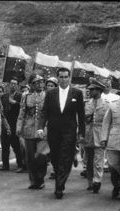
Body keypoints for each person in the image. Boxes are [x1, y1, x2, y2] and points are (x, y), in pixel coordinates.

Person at [37, 68, 85, 199]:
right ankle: (59, 178)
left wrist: (81, 133)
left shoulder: (77, 93)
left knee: (65, 158)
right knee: (55, 158)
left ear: (69, 78)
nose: (63, 80)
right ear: (57, 78)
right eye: (61, 77)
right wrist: (41, 127)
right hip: (53, 131)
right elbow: (44, 112)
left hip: (69, 132)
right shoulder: (51, 93)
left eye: (66, 77)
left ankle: (60, 185)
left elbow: (81, 115)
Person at [16, 74, 48, 190]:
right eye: (37, 83)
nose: (40, 84)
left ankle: (41, 179)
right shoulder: (26, 96)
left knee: (41, 156)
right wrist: (19, 127)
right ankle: (33, 180)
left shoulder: (47, 96)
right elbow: (22, 113)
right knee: (30, 156)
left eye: (41, 82)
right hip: (28, 129)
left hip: (42, 130)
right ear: (32, 85)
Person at [83, 78, 111, 193]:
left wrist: (106, 136)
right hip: (88, 134)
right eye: (90, 89)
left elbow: (108, 122)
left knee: (98, 159)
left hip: (100, 134)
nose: (90, 91)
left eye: (93, 89)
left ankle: (97, 181)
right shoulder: (86, 104)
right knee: (88, 160)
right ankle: (90, 181)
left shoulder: (107, 105)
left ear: (99, 91)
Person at [0, 79, 26, 173]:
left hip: (15, 123)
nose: (13, 85)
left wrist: (14, 103)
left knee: (16, 146)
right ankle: (5, 165)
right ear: (9, 85)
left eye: (15, 84)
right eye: (11, 83)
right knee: (5, 145)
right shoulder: (4, 96)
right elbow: (1, 108)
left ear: (17, 86)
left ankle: (20, 164)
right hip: (5, 122)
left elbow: (23, 107)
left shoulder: (20, 96)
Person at [45, 77, 59, 181]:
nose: (49, 87)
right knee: (51, 149)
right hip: (47, 126)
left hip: (58, 127)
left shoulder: (60, 98)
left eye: (52, 86)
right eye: (48, 85)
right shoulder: (44, 97)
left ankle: (55, 170)